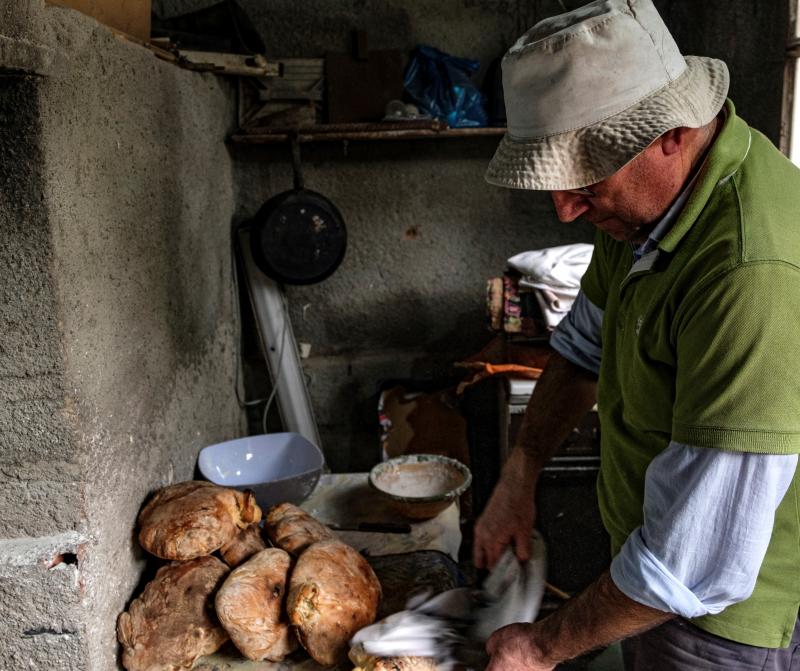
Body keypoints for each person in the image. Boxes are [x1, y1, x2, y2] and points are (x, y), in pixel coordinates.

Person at [474, 1, 800, 669]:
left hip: (722, 624)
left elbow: (699, 561)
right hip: (653, 577)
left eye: (585, 175)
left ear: (669, 136)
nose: (566, 207)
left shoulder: (748, 270)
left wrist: (542, 645)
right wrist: (520, 471)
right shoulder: (649, 211)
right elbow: (582, 347)